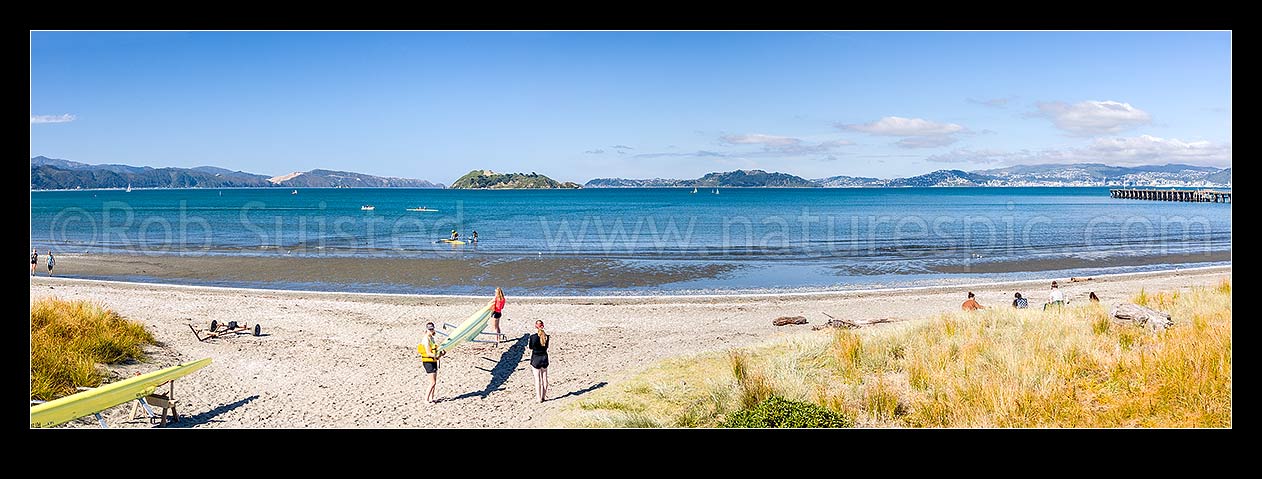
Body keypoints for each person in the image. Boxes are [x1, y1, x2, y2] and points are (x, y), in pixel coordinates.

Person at [418, 322, 446, 404]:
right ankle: (426, 400)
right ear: (427, 330)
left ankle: (431, 398)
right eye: (430, 329)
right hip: (428, 362)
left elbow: (435, 353)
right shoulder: (426, 339)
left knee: (434, 382)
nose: (431, 331)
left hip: (433, 361)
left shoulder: (432, 338)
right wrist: (437, 355)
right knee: (432, 382)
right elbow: (428, 353)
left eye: (432, 329)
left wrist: (441, 354)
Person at [528, 320, 550, 403]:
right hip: (544, 357)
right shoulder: (546, 336)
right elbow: (546, 346)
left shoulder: (533, 337)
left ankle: (539, 398)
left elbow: (530, 347)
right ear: (543, 326)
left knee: (537, 379)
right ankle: (544, 396)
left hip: (536, 358)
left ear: (535, 326)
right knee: (545, 378)